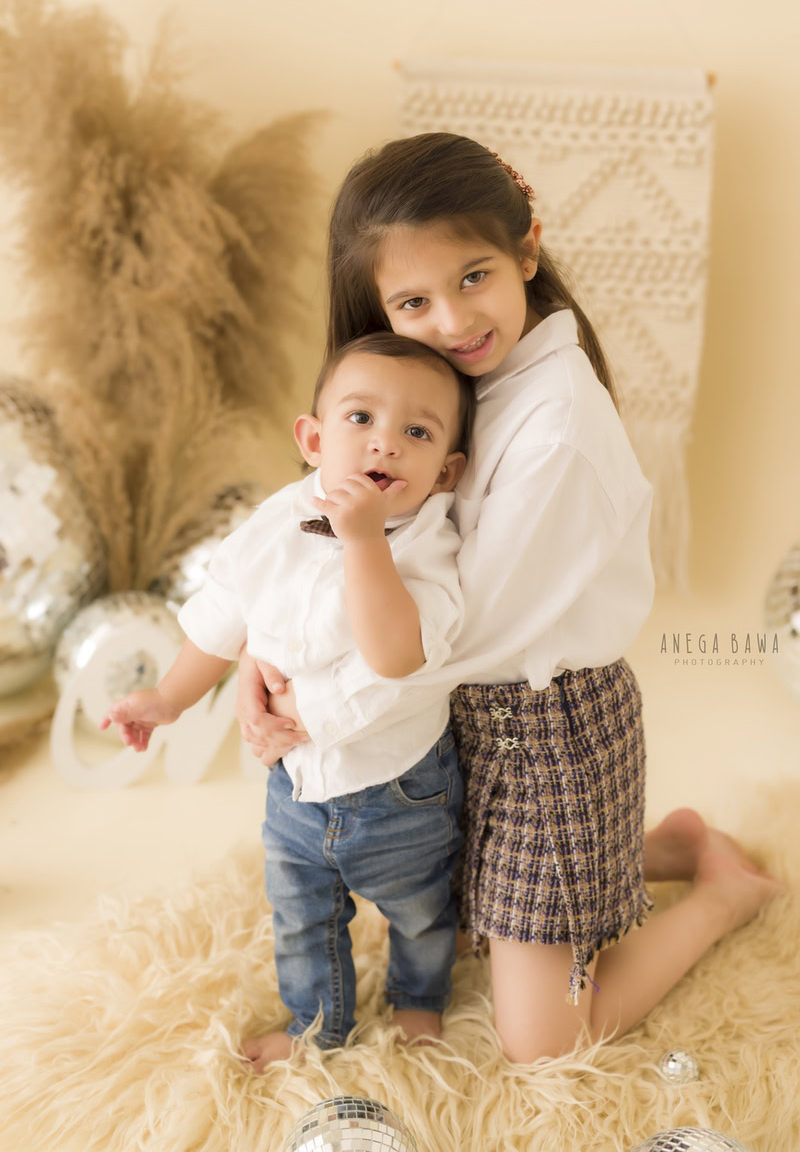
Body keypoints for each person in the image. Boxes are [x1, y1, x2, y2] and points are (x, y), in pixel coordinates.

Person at [237, 132, 784, 1068]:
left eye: (474, 277)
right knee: (456, 875)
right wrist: (263, 647)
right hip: (462, 717)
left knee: (542, 1039)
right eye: (412, 302)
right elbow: (328, 550)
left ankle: (725, 891)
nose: (451, 320)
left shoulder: (555, 427)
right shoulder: (446, 394)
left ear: (528, 251)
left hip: (546, 734)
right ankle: (661, 843)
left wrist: (308, 699)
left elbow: (454, 631)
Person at [100, 330, 477, 1065]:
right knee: (302, 913)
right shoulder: (276, 520)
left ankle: (418, 997)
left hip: (399, 787)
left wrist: (366, 540)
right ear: (313, 439)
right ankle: (317, 1023)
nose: (386, 445)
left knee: (422, 909)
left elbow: (397, 655)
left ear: (444, 472)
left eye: (417, 431)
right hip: (294, 785)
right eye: (361, 419)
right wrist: (170, 697)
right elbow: (223, 611)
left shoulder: (429, 547)